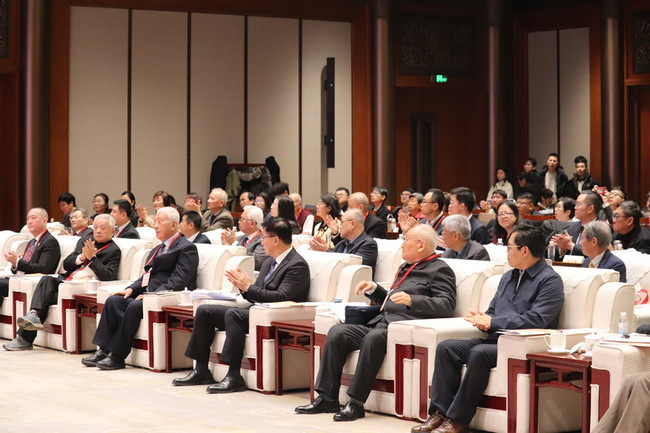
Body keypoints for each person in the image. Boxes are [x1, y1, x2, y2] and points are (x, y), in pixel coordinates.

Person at [411, 225, 564, 433]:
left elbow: (537, 319)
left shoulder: (550, 281)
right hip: (495, 339)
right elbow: (493, 310)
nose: (506, 252)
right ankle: (439, 413)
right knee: (446, 348)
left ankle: (458, 420)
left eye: (510, 247)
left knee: (480, 352)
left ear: (525, 250)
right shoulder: (508, 276)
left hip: (520, 345)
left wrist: (493, 322)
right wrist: (482, 319)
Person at [296, 224, 456, 422]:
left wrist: (413, 300)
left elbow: (447, 304)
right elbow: (392, 301)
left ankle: (355, 403)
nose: (402, 244)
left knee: (374, 337)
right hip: (380, 322)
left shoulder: (440, 270)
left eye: (406, 240)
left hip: (401, 329)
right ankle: (327, 398)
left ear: (421, 245)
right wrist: (375, 290)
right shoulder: (406, 266)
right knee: (338, 332)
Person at [171, 217, 310, 392]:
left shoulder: (297, 265)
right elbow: (256, 293)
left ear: (275, 240)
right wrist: (243, 287)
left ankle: (234, 375)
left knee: (234, 314)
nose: (262, 242)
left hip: (275, 316)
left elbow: (282, 297)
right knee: (205, 311)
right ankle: (201, 370)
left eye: (264, 238)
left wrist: (248, 287)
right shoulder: (269, 262)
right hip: (256, 311)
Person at [81, 207, 199, 370]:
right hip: (148, 294)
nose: (155, 226)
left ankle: (117, 356)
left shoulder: (186, 247)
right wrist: (130, 289)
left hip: (166, 297)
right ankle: (103, 350)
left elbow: (179, 280)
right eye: (155, 221)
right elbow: (147, 275)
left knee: (135, 306)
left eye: (160, 222)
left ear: (174, 224)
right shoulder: (158, 248)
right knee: (114, 300)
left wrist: (154, 294)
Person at [4, 214, 121, 351]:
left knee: (44, 299)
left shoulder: (114, 251)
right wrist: (81, 257)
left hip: (81, 287)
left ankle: (24, 338)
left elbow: (108, 276)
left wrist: (93, 258)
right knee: (47, 279)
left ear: (113, 231)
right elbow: (67, 264)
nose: (98, 231)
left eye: (103, 228)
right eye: (95, 227)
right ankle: (34, 315)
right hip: (66, 281)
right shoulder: (86, 241)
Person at [0, 208, 61, 308]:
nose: (29, 221)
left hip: (33, 283)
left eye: (33, 218)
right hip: (19, 279)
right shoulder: (32, 242)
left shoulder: (50, 242)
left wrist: (18, 261)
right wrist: (15, 264)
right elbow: (25, 266)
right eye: (28, 219)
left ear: (44, 221)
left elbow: (43, 268)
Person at [309, 209, 378, 272]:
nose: (339, 226)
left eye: (342, 222)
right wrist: (321, 251)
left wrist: (325, 250)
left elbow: (351, 267)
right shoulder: (342, 243)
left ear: (352, 224)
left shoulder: (368, 245)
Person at [551, 191, 602, 258]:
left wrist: (571, 246)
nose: (575, 208)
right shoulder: (572, 226)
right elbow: (557, 257)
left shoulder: (602, 229)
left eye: (578, 204)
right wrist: (563, 248)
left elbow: (595, 254)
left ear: (590, 209)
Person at [221, 205, 268, 270]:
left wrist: (234, 244)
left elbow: (256, 261)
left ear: (252, 223)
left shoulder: (264, 240)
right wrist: (227, 246)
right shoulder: (239, 238)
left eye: (242, 219)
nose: (239, 222)